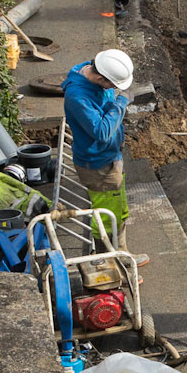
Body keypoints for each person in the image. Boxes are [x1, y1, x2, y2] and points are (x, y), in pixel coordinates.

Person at [61, 47, 139, 251]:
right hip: (99, 166)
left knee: (118, 211)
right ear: (100, 78)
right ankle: (109, 263)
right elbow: (102, 131)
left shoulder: (90, 72)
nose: (113, 89)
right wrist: (121, 103)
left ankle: (122, 255)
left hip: (109, 157)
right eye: (112, 85)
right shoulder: (78, 97)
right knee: (106, 217)